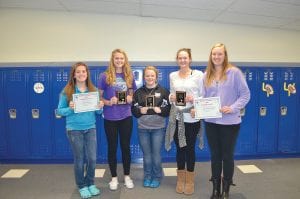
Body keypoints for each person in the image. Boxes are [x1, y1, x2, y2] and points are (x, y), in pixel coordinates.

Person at [202, 43, 250, 199]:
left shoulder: (234, 73)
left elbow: (245, 95)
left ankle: (226, 190)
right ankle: (216, 189)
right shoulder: (206, 75)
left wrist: (233, 107)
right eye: (214, 54)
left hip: (230, 123)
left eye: (219, 54)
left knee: (227, 156)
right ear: (211, 56)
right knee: (215, 156)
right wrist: (198, 108)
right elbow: (203, 98)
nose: (216, 57)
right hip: (211, 122)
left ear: (225, 55)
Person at [57, 62, 104, 199]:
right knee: (79, 159)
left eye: (84, 71)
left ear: (87, 73)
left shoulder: (93, 90)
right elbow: (59, 111)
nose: (81, 74)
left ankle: (90, 183)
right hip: (74, 129)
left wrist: (100, 106)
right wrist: (70, 108)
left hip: (90, 128)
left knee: (92, 159)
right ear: (74, 74)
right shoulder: (67, 91)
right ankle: (81, 186)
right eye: (78, 72)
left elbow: (98, 112)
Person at [165, 48, 204, 195]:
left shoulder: (199, 75)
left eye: (185, 58)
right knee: (180, 149)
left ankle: (190, 180)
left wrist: (194, 99)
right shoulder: (172, 75)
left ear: (190, 59)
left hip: (192, 118)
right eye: (180, 58)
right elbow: (170, 92)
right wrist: (171, 97)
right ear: (177, 60)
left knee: (190, 149)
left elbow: (203, 95)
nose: (182, 60)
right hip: (177, 118)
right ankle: (180, 180)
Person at [98, 49, 137, 190]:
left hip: (126, 116)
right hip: (110, 117)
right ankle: (114, 178)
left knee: (126, 147)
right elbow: (100, 97)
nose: (119, 61)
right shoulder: (104, 76)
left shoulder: (129, 76)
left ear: (125, 60)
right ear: (112, 60)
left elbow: (133, 95)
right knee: (112, 148)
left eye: (121, 58)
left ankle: (127, 176)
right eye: (116, 58)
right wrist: (109, 102)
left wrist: (130, 98)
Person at [131, 66, 171, 188]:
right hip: (143, 128)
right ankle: (148, 176)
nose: (150, 78)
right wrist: (140, 111)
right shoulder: (138, 92)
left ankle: (157, 176)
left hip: (158, 128)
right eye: (147, 75)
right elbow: (133, 109)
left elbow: (169, 109)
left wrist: (161, 110)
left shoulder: (164, 91)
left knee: (156, 155)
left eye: (152, 75)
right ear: (144, 77)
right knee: (147, 155)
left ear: (156, 76)